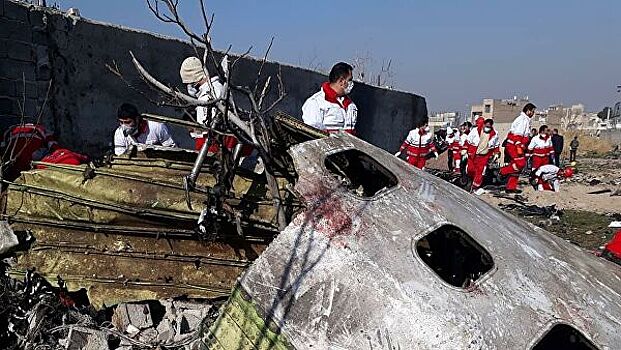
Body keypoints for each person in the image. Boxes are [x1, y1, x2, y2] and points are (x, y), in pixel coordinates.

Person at [302, 62, 358, 134]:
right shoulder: (316, 102)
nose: (352, 83)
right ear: (341, 81)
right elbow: (313, 134)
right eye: (350, 80)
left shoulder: (351, 105)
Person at [499, 103, 536, 193]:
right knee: (520, 163)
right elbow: (517, 135)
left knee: (518, 169)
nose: (533, 113)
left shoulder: (526, 120)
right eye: (532, 111)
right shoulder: (522, 120)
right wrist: (519, 145)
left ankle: (510, 187)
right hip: (514, 145)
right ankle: (502, 171)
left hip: (519, 145)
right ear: (528, 111)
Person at [466, 117, 500, 193]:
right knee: (470, 170)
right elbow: (468, 141)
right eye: (486, 126)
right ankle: (471, 181)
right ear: (483, 124)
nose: (487, 128)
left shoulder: (494, 134)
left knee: (480, 172)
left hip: (484, 156)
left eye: (489, 127)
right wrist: (465, 149)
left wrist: (497, 153)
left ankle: (475, 187)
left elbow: (496, 145)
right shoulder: (475, 131)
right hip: (473, 155)